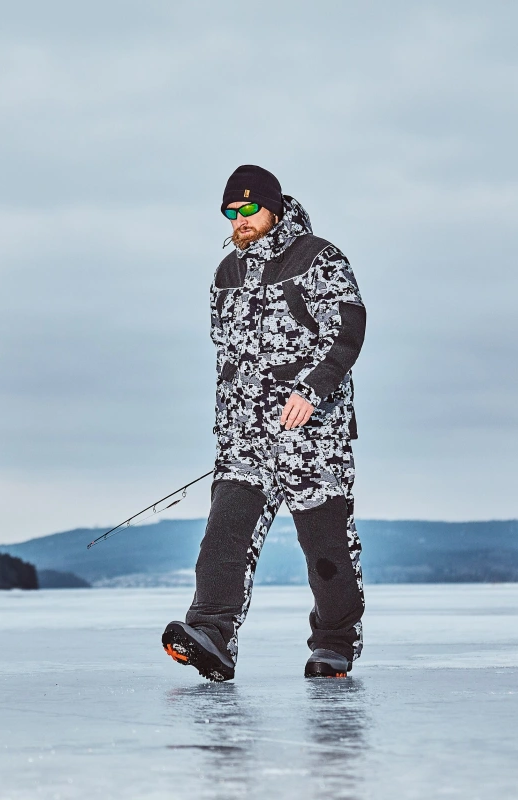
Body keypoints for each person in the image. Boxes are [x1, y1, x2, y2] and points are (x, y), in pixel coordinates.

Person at [162, 165, 367, 681]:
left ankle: (335, 644)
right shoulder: (225, 274)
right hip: (245, 440)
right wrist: (228, 425)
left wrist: (312, 390)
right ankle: (212, 633)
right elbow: (226, 359)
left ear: (273, 208)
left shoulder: (318, 258)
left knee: (327, 552)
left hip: (312, 438)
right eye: (231, 211)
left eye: (249, 208)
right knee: (223, 538)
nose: (240, 219)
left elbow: (346, 331)